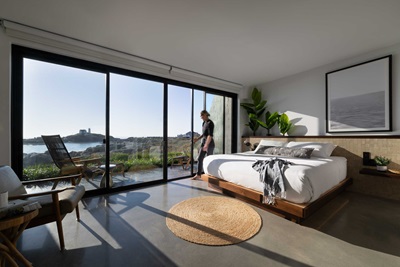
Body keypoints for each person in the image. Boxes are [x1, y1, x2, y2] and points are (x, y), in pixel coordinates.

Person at [192, 110, 215, 180]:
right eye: (201, 115)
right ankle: (198, 174)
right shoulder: (203, 123)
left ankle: (210, 175)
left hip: (209, 144)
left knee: (209, 159)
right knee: (200, 158)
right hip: (204, 143)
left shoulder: (210, 123)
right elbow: (204, 134)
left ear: (205, 114)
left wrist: (206, 145)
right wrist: (197, 139)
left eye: (202, 115)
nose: (201, 117)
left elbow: (210, 135)